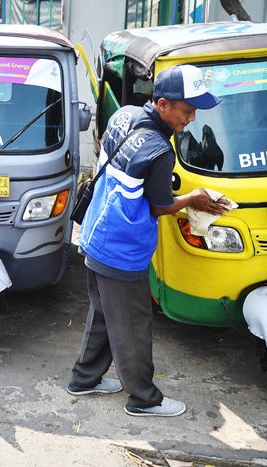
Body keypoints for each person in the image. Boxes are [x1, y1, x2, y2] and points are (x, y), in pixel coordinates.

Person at [67, 64, 228, 417]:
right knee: (134, 326)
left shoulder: (124, 115)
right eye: (187, 110)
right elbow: (161, 205)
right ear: (163, 105)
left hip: (95, 234)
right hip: (121, 249)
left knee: (105, 314)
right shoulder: (159, 150)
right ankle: (143, 398)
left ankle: (85, 378)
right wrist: (195, 199)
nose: (191, 118)